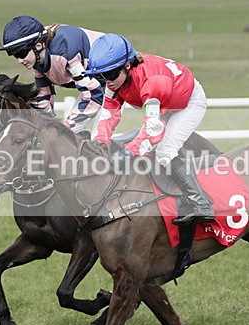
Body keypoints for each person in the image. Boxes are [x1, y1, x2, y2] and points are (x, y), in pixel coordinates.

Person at [85, 33, 215, 226]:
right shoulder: (115, 80)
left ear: (127, 66)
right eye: (100, 77)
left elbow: (153, 130)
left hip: (188, 103)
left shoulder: (152, 82)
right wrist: (99, 144)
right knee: (139, 148)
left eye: (110, 75)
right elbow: (108, 114)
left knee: (164, 151)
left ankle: (201, 203)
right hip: (163, 101)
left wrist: (129, 153)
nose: (107, 82)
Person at [0, 15, 105, 134]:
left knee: (91, 136)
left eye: (21, 53)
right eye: (15, 55)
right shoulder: (38, 61)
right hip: (96, 84)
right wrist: (50, 127)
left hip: (117, 79)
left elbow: (93, 95)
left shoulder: (65, 55)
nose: (20, 61)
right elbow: (44, 98)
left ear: (38, 46)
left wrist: (64, 129)